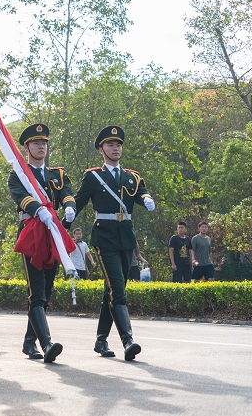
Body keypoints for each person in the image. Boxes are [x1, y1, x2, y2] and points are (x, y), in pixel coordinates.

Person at [68, 125, 155, 361]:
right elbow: (79, 201)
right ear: (101, 150)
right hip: (104, 238)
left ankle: (100, 340)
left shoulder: (132, 176)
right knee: (118, 289)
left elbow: (141, 191)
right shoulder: (93, 176)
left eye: (118, 145)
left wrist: (146, 198)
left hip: (126, 238)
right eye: (110, 145)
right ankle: (128, 340)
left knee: (112, 290)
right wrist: (64, 222)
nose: (115, 148)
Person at [9, 123, 71, 363]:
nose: (41, 147)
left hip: (52, 233)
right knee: (36, 290)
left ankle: (29, 342)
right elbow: (20, 196)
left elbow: (66, 192)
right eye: (36, 143)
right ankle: (46, 343)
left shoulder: (57, 174)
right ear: (26, 147)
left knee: (46, 291)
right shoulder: (19, 174)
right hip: (32, 232)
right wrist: (37, 209)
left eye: (44, 143)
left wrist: (70, 206)